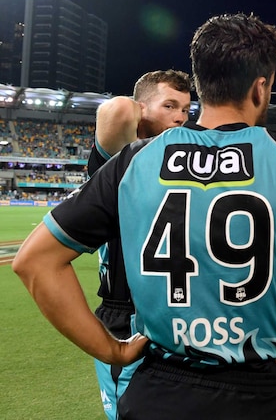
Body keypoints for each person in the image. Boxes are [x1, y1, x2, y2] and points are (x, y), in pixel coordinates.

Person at [12, 12, 276, 420]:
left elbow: (35, 261)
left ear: (200, 81)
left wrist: (110, 348)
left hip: (157, 390)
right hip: (260, 394)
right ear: (261, 86)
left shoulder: (136, 160)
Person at [89, 69, 193, 420]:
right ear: (143, 109)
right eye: (170, 105)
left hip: (176, 316)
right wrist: (145, 113)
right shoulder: (118, 162)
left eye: (186, 109)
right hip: (126, 317)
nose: (181, 117)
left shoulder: (182, 163)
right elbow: (118, 110)